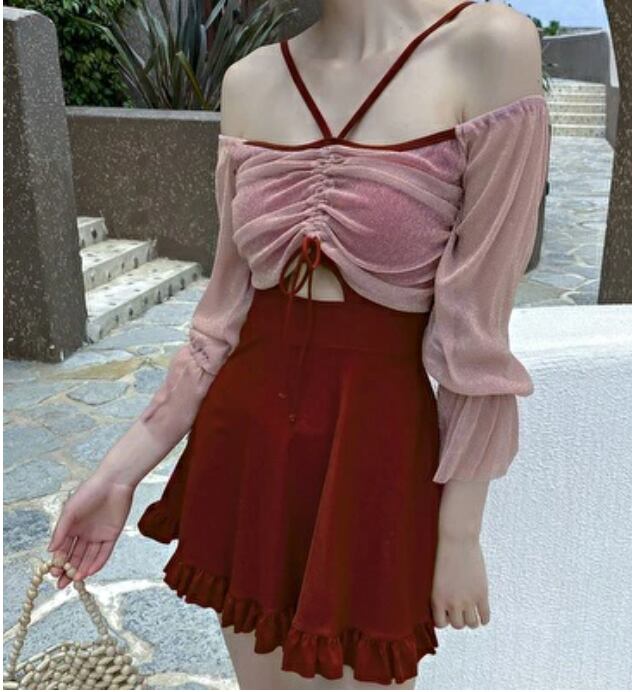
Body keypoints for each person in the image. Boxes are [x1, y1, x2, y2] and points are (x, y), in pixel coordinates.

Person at [46, 0, 550, 688]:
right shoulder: (250, 80)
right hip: (245, 444)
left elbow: (477, 334)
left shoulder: (489, 46)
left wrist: (459, 531)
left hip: (375, 453)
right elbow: (221, 319)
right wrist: (117, 474)